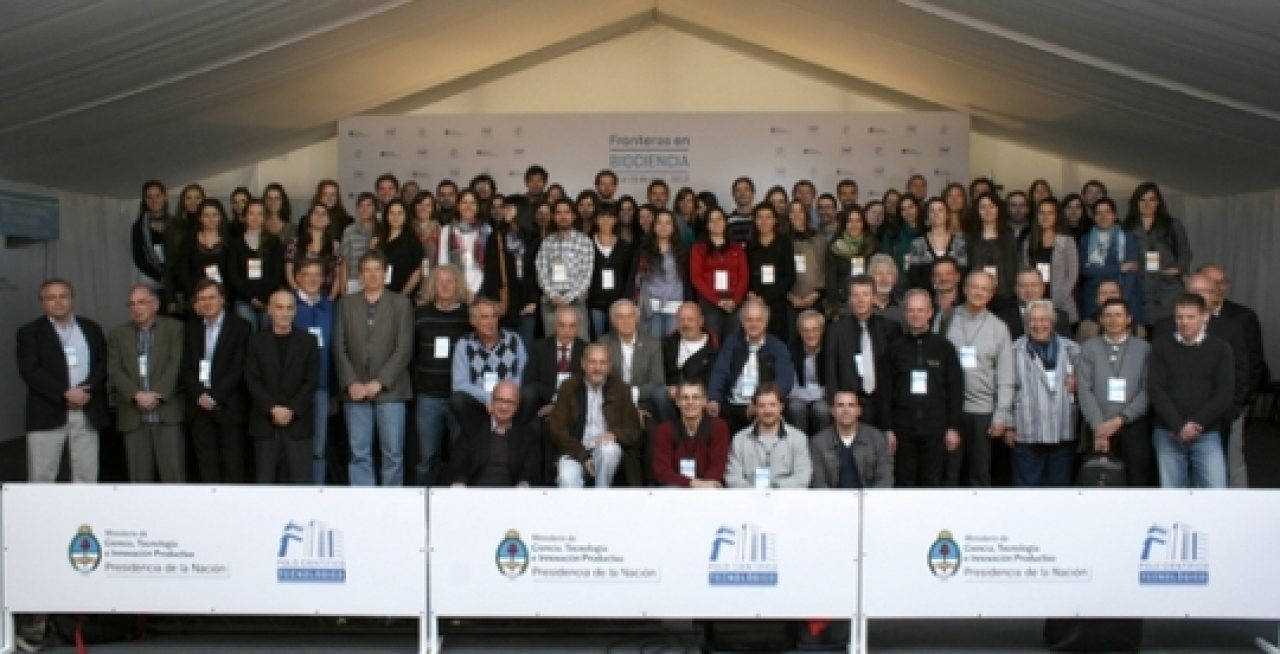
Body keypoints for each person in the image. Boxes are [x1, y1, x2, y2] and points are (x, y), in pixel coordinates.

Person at [334, 251, 415, 487]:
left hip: (391, 390)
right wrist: (352, 382)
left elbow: (404, 349)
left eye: (377, 270)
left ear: (385, 273)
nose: (372, 275)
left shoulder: (401, 303)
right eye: (367, 270)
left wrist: (379, 382)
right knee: (359, 454)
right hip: (356, 391)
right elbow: (338, 348)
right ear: (360, 275)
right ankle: (363, 503)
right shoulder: (346, 304)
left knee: (393, 455)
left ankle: (391, 504)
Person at [17, 279, 109, 483]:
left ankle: (84, 507)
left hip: (86, 409)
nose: (58, 302)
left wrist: (86, 391)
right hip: (47, 411)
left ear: (72, 299)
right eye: (51, 297)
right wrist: (65, 393)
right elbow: (30, 370)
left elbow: (102, 364)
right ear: (42, 302)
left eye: (63, 296)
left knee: (87, 475)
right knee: (42, 476)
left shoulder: (91, 328)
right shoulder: (30, 332)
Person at [1147, 294, 1234, 489]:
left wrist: (1196, 424)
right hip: (1168, 432)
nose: (1184, 322)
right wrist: (1178, 426)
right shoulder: (1161, 346)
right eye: (1179, 317)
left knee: (1216, 491)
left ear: (1205, 317)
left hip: (1207, 432)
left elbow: (1224, 394)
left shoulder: (1220, 348)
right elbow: (1155, 389)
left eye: (1190, 317)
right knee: (1172, 494)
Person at [881, 289, 965, 487]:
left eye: (920, 310)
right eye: (911, 310)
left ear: (929, 313)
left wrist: (953, 427)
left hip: (936, 427)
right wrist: (888, 428)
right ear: (904, 313)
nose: (916, 315)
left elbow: (955, 389)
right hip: (903, 428)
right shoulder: (894, 349)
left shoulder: (944, 348)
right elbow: (885, 391)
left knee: (932, 483)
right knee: (904, 482)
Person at [107, 285, 186, 482]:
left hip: (166, 413)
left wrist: (157, 394)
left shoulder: (174, 328)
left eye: (142, 302)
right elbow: (114, 370)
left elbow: (176, 364)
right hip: (133, 414)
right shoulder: (118, 334)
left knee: (174, 476)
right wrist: (136, 395)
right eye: (131, 304)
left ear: (156, 305)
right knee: (139, 479)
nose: (136, 308)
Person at [944, 270, 1014, 487]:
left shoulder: (999, 328)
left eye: (985, 289)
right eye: (974, 287)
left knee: (979, 475)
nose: (978, 292)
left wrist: (1001, 415)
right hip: (950, 410)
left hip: (983, 412)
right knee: (949, 473)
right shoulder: (946, 319)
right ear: (964, 289)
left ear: (991, 294)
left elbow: (1006, 375)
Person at [1200, 263, 1267, 488]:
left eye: (1223, 282)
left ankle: (1239, 505)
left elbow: (1253, 363)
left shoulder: (1243, 317)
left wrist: (1239, 403)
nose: (1218, 288)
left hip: (1231, 404)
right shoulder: (1184, 315)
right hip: (1193, 406)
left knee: (1232, 459)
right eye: (1212, 283)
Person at [1077, 298, 1154, 486]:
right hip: (1098, 426)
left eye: (1118, 315)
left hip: (1133, 427)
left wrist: (1121, 419)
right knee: (1100, 484)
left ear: (1128, 319)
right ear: (1101, 320)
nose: (1113, 320)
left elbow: (1147, 391)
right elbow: (1084, 390)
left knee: (1136, 481)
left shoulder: (1144, 349)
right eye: (1108, 316)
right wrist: (1099, 427)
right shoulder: (1089, 348)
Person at [244, 290, 318, 484]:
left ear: (295, 311)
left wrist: (291, 410)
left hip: (298, 424)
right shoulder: (255, 341)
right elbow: (252, 380)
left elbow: (311, 381)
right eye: (279, 307)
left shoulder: (308, 341)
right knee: (264, 483)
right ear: (269, 310)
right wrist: (273, 408)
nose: (284, 313)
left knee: (301, 485)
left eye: (289, 308)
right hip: (265, 424)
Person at [1005, 301, 1081, 487]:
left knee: (1059, 492)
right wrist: (1008, 426)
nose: (1039, 325)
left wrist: (1078, 385)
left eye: (1044, 320)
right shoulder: (1014, 351)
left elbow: (1087, 388)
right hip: (1027, 433)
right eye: (1033, 320)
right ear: (1026, 323)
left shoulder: (1072, 349)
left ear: (1053, 322)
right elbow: (1006, 389)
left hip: (1062, 431)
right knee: (1027, 493)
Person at [182, 279, 251, 483]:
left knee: (233, 468)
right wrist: (200, 395)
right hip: (199, 409)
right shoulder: (191, 328)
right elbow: (185, 367)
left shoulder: (241, 327)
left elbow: (238, 367)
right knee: (207, 468)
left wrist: (214, 397)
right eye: (202, 299)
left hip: (229, 407)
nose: (207, 302)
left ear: (223, 299)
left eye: (211, 297)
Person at [548, 344, 643, 487]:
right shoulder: (568, 387)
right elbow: (557, 429)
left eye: (602, 363)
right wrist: (583, 456)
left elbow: (634, 431)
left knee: (609, 450)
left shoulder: (621, 389)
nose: (597, 368)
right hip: (575, 451)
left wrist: (615, 434)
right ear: (583, 364)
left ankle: (601, 495)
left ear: (609, 366)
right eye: (592, 362)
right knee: (566, 478)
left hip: (604, 449)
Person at [412, 264, 473, 486]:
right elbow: (411, 353)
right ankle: (422, 501)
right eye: (440, 281)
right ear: (432, 285)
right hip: (428, 396)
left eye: (450, 281)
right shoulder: (420, 315)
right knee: (426, 458)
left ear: (458, 285)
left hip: (459, 397)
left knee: (460, 457)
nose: (445, 286)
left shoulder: (468, 316)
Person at [706, 300, 795, 433]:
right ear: (742, 322)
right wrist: (714, 398)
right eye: (749, 320)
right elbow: (720, 372)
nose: (754, 324)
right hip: (732, 405)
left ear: (766, 322)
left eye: (758, 320)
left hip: (763, 406)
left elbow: (785, 381)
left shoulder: (777, 347)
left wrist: (759, 402)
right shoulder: (732, 342)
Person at [825, 275, 902, 429]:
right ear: (849, 299)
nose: (860, 300)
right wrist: (835, 403)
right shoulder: (836, 330)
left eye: (865, 294)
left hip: (883, 403)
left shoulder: (891, 328)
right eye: (855, 295)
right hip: (850, 404)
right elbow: (831, 370)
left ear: (874, 297)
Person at [451, 297, 528, 429]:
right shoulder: (464, 344)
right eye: (485, 317)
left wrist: (503, 396)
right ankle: (476, 437)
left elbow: (523, 374)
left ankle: (516, 435)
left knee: (529, 394)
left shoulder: (514, 340)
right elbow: (459, 384)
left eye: (494, 316)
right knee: (458, 400)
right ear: (473, 321)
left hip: (509, 399)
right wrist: (487, 397)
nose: (491, 322)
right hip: (479, 402)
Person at [448, 380, 542, 487]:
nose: (504, 407)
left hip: (511, 493)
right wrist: (459, 482)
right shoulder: (472, 429)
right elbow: (459, 464)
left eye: (510, 402)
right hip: (475, 492)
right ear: (491, 403)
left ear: (517, 406)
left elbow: (530, 471)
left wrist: (523, 485)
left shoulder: (527, 435)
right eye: (499, 400)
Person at [292, 260, 337, 484]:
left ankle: (317, 492)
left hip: (322, 386)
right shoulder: (287, 306)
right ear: (297, 278)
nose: (311, 279)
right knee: (293, 446)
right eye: (306, 274)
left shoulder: (331, 307)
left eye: (316, 274)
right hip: (293, 389)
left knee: (319, 447)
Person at [1125, 182, 1191, 329]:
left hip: (1167, 288)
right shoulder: (1127, 227)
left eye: (1152, 199)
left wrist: (1178, 269)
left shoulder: (1172, 225)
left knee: (1167, 330)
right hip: (1139, 287)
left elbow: (1185, 252)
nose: (1147, 204)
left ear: (1158, 202)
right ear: (1136, 203)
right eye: (1142, 200)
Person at [724, 383, 813, 489]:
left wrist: (773, 489)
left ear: (781, 407)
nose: (767, 410)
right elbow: (732, 477)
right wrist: (752, 491)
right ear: (755, 408)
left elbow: (803, 477)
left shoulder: (798, 438)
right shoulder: (739, 439)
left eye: (772, 405)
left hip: (786, 497)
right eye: (762, 406)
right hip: (749, 496)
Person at [651, 380, 731, 488]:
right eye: (685, 398)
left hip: (709, 488)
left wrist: (703, 486)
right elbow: (662, 471)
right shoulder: (664, 430)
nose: (690, 402)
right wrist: (693, 483)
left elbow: (718, 466)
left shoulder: (718, 427)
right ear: (677, 402)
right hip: (676, 488)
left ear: (704, 401)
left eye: (695, 397)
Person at [598, 300, 667, 424]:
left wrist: (633, 393)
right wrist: (623, 395)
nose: (626, 321)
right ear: (613, 321)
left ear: (637, 319)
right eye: (620, 317)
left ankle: (668, 429)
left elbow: (658, 381)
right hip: (614, 399)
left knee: (660, 394)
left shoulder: (652, 344)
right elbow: (601, 378)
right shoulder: (603, 343)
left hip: (643, 398)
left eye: (630, 316)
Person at [536, 198, 593, 342]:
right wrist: (554, 296)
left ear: (574, 216)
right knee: (553, 346)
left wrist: (567, 299)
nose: (563, 216)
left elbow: (586, 275)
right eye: (559, 213)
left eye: (567, 212)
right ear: (553, 217)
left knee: (580, 345)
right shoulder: (547, 242)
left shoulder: (584, 241)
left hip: (576, 301)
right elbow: (541, 272)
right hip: (551, 302)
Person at [809, 391, 893, 488]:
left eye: (851, 405)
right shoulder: (818, 442)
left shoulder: (877, 438)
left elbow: (885, 479)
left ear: (859, 411)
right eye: (840, 405)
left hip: (868, 497)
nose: (846, 410)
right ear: (832, 411)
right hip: (832, 497)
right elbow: (818, 483)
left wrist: (869, 498)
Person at [1078, 197, 1143, 325]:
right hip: (1093, 299)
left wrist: (1122, 298)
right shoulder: (1085, 240)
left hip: (1123, 296)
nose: (1103, 216)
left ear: (1115, 215)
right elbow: (1086, 271)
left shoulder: (1128, 237)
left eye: (1107, 212)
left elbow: (1132, 270)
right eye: (1098, 213)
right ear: (1093, 217)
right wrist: (1119, 268)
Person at [690, 207, 749, 340]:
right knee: (713, 339)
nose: (716, 223)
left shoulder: (737, 248)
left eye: (719, 219)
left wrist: (735, 300)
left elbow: (744, 276)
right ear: (707, 225)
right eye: (711, 220)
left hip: (734, 301)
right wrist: (717, 301)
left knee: (733, 340)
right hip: (709, 301)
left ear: (725, 222)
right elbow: (696, 278)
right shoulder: (699, 248)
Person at [632, 209, 690, 339]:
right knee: (652, 344)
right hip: (650, 306)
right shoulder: (644, 250)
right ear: (654, 226)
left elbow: (688, 280)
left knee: (672, 345)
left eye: (668, 223)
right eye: (659, 222)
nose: (663, 226)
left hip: (675, 306)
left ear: (674, 227)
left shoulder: (683, 251)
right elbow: (634, 277)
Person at [227, 199, 284, 330]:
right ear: (244, 217)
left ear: (265, 217)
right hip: (244, 299)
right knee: (247, 333)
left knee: (268, 336)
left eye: (260, 214)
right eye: (251, 213)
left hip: (269, 299)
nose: (255, 218)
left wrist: (263, 297)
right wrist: (251, 298)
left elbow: (277, 273)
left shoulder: (274, 242)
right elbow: (232, 274)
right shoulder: (235, 243)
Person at [523, 306, 588, 421]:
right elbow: (530, 381)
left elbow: (586, 384)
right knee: (528, 393)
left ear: (578, 327)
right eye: (562, 325)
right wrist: (554, 398)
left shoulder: (586, 350)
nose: (566, 331)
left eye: (572, 326)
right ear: (554, 325)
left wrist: (560, 403)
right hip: (545, 399)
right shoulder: (539, 347)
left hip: (574, 403)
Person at [1022, 197, 1080, 324]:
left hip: (1061, 300)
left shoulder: (1067, 241)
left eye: (1050, 213)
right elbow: (1026, 271)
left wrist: (1060, 297)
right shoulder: (1029, 240)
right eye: (1042, 213)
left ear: (1056, 216)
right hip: (1035, 299)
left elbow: (1073, 273)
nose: (1045, 217)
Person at [585, 204, 634, 339]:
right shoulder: (587, 243)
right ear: (596, 219)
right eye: (602, 217)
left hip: (617, 302)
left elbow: (628, 275)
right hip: (595, 301)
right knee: (598, 339)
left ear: (615, 220)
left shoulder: (624, 246)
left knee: (616, 340)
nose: (606, 221)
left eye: (610, 217)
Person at [662, 302, 719, 407]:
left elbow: (715, 381)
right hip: (670, 398)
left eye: (690, 319)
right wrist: (667, 389)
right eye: (681, 320)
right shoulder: (667, 344)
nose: (685, 324)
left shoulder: (714, 347)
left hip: (699, 399)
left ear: (701, 321)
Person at [964, 193, 1018, 303]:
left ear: (998, 209)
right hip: (978, 293)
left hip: (1005, 294)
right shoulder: (970, 237)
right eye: (983, 207)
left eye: (991, 206)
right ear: (977, 211)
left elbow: (1014, 265)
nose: (987, 210)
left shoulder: (1009, 236)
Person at [824, 206, 878, 317]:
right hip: (843, 304)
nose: (854, 225)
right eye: (850, 221)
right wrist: (834, 308)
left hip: (870, 303)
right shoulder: (835, 248)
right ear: (844, 224)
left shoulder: (873, 246)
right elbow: (831, 280)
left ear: (863, 224)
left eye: (858, 221)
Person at [436, 189, 491, 297]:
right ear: (458, 205)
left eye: (472, 203)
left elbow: (489, 264)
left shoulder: (486, 230)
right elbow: (443, 262)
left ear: (477, 206)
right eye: (464, 202)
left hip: (481, 285)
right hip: (454, 285)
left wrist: (473, 289)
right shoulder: (447, 230)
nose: (468, 206)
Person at [905, 197, 967, 290]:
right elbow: (914, 276)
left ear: (947, 215)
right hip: (925, 294)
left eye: (940, 210)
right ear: (927, 216)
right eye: (932, 211)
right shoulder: (917, 243)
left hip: (953, 294)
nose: (936, 214)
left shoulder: (959, 242)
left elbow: (963, 273)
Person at [787, 310, 831, 435]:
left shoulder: (830, 349)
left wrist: (819, 394)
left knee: (822, 410)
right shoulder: (791, 350)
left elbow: (831, 387)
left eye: (815, 330)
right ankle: (800, 444)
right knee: (795, 408)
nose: (810, 335)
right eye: (805, 330)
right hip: (799, 397)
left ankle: (821, 444)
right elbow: (791, 389)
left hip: (824, 398)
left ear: (822, 330)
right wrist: (816, 394)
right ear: (799, 332)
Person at [786, 200, 826, 341]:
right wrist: (791, 297)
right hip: (791, 301)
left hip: (815, 299)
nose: (796, 215)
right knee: (793, 340)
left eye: (800, 211)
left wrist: (816, 294)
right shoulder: (783, 240)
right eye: (792, 212)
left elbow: (825, 267)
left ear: (806, 214)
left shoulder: (818, 239)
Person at [999, 268, 1071, 341]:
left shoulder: (1061, 317)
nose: (1029, 290)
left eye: (1034, 285)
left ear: (1043, 288)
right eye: (1023, 286)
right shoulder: (1002, 319)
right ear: (1016, 289)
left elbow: (1067, 346)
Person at [374, 199, 426, 296]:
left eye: (399, 213)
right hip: (380, 293)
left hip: (404, 294)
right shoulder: (378, 241)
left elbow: (417, 271)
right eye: (392, 213)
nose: (395, 217)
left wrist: (402, 295)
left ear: (406, 216)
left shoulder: (413, 241)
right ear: (386, 216)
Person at [340, 193, 379, 294]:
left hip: (376, 279)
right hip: (354, 279)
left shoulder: (381, 230)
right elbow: (345, 260)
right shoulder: (349, 230)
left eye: (368, 205)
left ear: (375, 208)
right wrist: (343, 284)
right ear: (357, 209)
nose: (364, 209)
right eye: (361, 205)